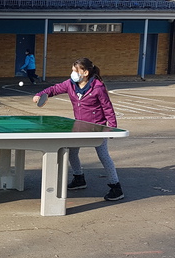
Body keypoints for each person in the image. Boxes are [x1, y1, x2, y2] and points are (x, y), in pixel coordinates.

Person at [33, 57, 124, 201]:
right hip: (79, 126)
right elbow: (54, 89)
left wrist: (112, 127)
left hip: (97, 127)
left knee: (103, 155)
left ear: (85, 72)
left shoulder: (98, 87)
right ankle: (79, 178)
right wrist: (40, 94)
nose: (72, 73)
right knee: (72, 152)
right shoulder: (70, 84)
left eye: (75, 71)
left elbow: (107, 107)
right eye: (72, 70)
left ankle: (116, 187)